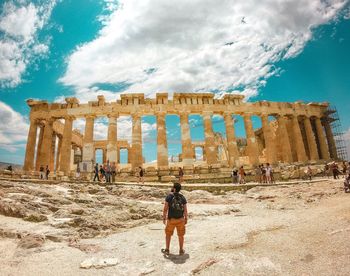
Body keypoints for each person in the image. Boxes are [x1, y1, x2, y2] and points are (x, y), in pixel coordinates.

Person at [162, 182, 188, 255]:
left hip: (171, 219)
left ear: (174, 188)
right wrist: (186, 219)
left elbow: (165, 209)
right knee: (181, 235)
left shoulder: (169, 197)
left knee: (168, 234)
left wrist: (164, 218)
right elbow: (185, 210)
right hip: (180, 219)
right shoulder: (182, 197)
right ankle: (181, 250)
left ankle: (167, 249)